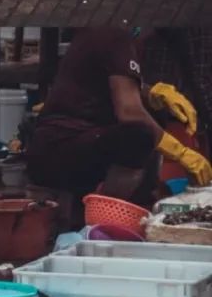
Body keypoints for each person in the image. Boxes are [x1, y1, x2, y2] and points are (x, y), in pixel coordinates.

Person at [26, 28, 212, 209]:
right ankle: (104, 212)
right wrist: (181, 153)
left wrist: (154, 94)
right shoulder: (115, 37)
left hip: (61, 145)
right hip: (60, 151)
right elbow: (130, 113)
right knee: (139, 136)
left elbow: (110, 84)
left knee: (153, 115)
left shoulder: (102, 32)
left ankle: (140, 199)